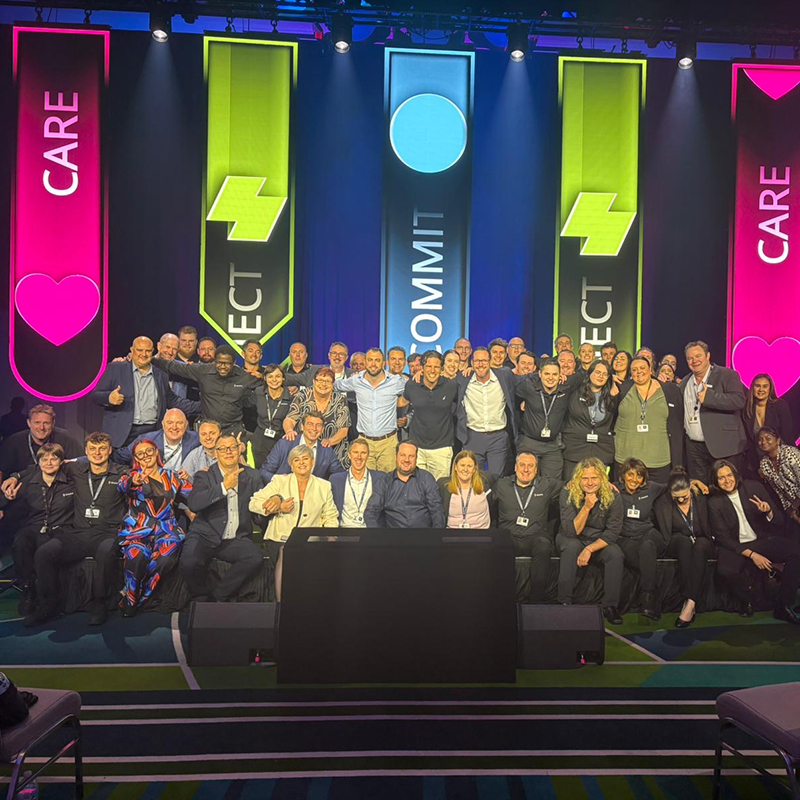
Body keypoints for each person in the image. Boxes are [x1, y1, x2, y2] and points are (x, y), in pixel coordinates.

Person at [4, 432, 127, 626]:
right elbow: (44, 464)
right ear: (86, 451)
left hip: (107, 533)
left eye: (102, 448)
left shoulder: (122, 473)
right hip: (78, 533)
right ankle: (49, 606)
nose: (97, 453)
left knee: (105, 552)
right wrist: (16, 476)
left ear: (110, 450)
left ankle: (99, 603)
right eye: (92, 449)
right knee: (44, 553)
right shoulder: (75, 469)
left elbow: (141, 477)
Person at [709, 460, 800, 623]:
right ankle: (748, 600)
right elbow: (723, 538)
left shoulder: (753, 487)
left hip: (760, 540)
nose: (727, 480)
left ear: (736, 475)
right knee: (725, 570)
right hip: (735, 546)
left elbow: (779, 520)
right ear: (716, 481)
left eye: (729, 475)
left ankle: (783, 605)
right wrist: (753, 555)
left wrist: (768, 512)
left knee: (797, 552)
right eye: (721, 478)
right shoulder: (714, 503)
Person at [181, 433, 265, 603]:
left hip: (235, 538)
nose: (228, 452)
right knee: (188, 562)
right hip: (204, 535)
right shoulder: (204, 476)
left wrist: (269, 508)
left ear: (239, 450)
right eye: (223, 449)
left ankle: (219, 594)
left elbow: (258, 514)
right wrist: (223, 487)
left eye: (232, 447)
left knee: (255, 558)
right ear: (216, 453)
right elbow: (194, 504)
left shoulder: (253, 476)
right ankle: (200, 595)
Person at [251, 444, 338, 600]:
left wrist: (330, 538)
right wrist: (277, 507)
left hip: (310, 540)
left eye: (305, 459)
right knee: (286, 551)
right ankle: (280, 603)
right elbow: (254, 503)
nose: (301, 463)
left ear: (312, 462)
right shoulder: (279, 481)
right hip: (279, 539)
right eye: (296, 460)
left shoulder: (324, 486)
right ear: (291, 465)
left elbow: (330, 516)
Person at [116, 439, 192, 616]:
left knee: (164, 560)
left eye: (149, 451)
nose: (146, 456)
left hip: (167, 529)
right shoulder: (130, 475)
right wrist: (135, 480)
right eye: (140, 454)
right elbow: (123, 486)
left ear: (156, 452)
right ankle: (131, 598)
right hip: (138, 530)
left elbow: (194, 495)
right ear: (135, 458)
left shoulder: (173, 476)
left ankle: (135, 598)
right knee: (136, 557)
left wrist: (189, 479)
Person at [4, 444, 74, 617]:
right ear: (39, 462)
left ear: (61, 461)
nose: (49, 463)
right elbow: (7, 498)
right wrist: (7, 497)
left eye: (53, 458)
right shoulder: (28, 481)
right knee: (20, 542)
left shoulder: (72, 480)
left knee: (44, 546)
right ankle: (27, 589)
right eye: (44, 459)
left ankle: (48, 598)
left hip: (60, 528)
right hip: (35, 526)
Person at [558, 458, 624, 624]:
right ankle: (564, 602)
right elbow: (571, 531)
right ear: (577, 479)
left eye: (594, 478)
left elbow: (612, 533)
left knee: (615, 553)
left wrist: (589, 549)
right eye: (585, 478)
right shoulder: (567, 492)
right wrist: (586, 507)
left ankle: (610, 606)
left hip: (598, 539)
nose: (589, 483)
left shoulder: (614, 496)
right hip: (573, 537)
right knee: (571, 546)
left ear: (602, 478)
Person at [92, 336, 186, 448]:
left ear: (153, 352)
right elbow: (96, 396)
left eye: (147, 351)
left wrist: (204, 405)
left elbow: (172, 400)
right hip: (120, 435)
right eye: (140, 350)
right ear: (132, 350)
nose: (144, 354)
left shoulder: (161, 374)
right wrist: (109, 398)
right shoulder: (116, 368)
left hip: (150, 434)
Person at [493, 451, 562, 603]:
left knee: (544, 545)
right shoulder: (502, 484)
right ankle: (503, 597)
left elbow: (572, 485)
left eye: (530, 466)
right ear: (515, 467)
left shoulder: (546, 484)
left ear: (536, 470)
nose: (526, 469)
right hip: (509, 535)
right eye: (522, 465)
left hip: (535, 536)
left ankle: (536, 600)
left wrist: (605, 483)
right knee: (500, 543)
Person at [152, 344, 262, 435]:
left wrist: (263, 377)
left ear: (234, 363)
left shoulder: (244, 376)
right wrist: (151, 360)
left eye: (227, 363)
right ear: (215, 361)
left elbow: (271, 384)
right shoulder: (203, 371)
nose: (222, 367)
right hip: (208, 430)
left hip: (233, 430)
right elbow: (176, 367)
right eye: (219, 363)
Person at [654, 467, 713, 628]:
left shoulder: (700, 496)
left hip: (701, 539)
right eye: (676, 498)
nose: (680, 500)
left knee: (700, 546)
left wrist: (698, 481)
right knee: (684, 542)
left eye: (684, 497)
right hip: (677, 541)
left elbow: (721, 487)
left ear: (690, 488)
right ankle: (691, 603)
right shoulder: (663, 503)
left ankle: (690, 603)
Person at [682, 340, 747, 483]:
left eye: (698, 356)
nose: (694, 361)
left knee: (728, 489)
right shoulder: (685, 382)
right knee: (700, 489)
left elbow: (739, 401)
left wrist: (711, 397)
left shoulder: (727, 375)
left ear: (708, 356)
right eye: (690, 358)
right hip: (694, 449)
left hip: (724, 447)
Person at [614, 356, 684, 484]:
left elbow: (677, 426)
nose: (638, 372)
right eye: (634, 369)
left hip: (659, 463)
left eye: (642, 368)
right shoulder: (621, 389)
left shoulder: (670, 390)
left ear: (650, 369)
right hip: (627, 462)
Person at [615, 458, 669, 620]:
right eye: (630, 475)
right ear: (623, 475)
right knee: (644, 559)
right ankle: (651, 600)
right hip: (625, 538)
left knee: (647, 545)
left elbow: (673, 485)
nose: (634, 480)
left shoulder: (651, 488)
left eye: (639, 476)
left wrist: (693, 482)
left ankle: (647, 598)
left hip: (648, 533)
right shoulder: (614, 490)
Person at [335, 349, 406, 472]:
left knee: (388, 484)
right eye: (370, 360)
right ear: (365, 362)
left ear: (383, 363)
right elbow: (335, 385)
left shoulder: (396, 382)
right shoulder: (356, 380)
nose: (373, 364)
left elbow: (416, 388)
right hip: (364, 442)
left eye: (377, 360)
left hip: (388, 443)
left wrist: (419, 375)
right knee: (365, 484)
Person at [455, 347, 519, 478]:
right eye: (477, 361)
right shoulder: (462, 378)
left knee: (496, 479)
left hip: (498, 437)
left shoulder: (504, 375)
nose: (480, 364)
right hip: (472, 436)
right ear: (471, 363)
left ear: (490, 362)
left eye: (484, 360)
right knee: (472, 478)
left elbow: (525, 379)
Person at [515, 358, 580, 480]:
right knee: (525, 480)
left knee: (552, 485)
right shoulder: (529, 387)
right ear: (540, 374)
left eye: (555, 374)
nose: (550, 378)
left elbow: (584, 376)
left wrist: (612, 379)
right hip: (529, 443)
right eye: (546, 374)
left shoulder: (566, 386)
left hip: (552, 446)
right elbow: (509, 380)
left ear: (560, 375)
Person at [399, 351, 459, 480]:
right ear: (423, 368)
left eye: (436, 367)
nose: (432, 370)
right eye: (429, 366)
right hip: (417, 448)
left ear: (441, 369)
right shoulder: (412, 384)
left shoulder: (451, 386)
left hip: (442, 449)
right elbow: (400, 403)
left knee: (439, 491)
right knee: (415, 489)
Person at [365, 441, 444, 528]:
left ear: (416, 459)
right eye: (403, 455)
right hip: (392, 537)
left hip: (423, 536)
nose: (406, 460)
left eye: (411, 456)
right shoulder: (384, 481)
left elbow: (437, 510)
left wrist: (436, 536)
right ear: (396, 457)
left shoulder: (426, 478)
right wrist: (377, 536)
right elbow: (371, 511)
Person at [562, 359, 619, 479]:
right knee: (572, 490)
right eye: (598, 372)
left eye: (605, 374)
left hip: (601, 451)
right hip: (575, 449)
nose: (601, 376)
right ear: (590, 373)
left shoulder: (613, 395)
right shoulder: (575, 391)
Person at [284, 368, 350, 468]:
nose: (324, 384)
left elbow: (343, 429)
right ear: (314, 381)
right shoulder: (303, 396)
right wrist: (289, 430)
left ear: (333, 384)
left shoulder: (340, 399)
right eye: (320, 380)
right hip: (304, 450)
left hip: (334, 451)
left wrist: (330, 441)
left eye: (328, 381)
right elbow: (290, 419)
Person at [0, 404, 82, 482]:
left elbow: (80, 463)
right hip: (23, 490)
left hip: (57, 489)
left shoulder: (65, 437)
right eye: (37, 423)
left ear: (53, 424)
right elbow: (2, 471)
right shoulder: (13, 441)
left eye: (46, 423)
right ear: (29, 423)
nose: (41, 427)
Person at [261, 412, 344, 483]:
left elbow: (339, 475)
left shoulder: (327, 451)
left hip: (311, 496)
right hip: (283, 493)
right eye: (310, 424)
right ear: (302, 426)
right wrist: (280, 482)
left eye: (318, 425)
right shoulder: (285, 444)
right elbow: (264, 471)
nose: (314, 428)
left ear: (322, 430)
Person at [742, 374, 795, 474]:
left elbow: (787, 435)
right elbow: (748, 440)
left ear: (770, 389)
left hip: (780, 457)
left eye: (765, 386)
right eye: (757, 386)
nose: (761, 389)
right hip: (756, 459)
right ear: (752, 388)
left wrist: (782, 462)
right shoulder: (746, 408)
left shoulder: (780, 405)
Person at [114, 408, 200, 468]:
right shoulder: (146, 440)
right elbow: (121, 456)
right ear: (163, 424)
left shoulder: (196, 439)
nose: (174, 427)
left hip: (183, 487)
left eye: (179, 423)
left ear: (186, 425)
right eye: (170, 423)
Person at [330, 439, 384, 527]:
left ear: (368, 455)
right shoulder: (335, 480)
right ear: (349, 455)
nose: (359, 457)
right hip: (345, 532)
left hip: (370, 532)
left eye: (363, 453)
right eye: (355, 452)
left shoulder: (380, 478)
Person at [756, 427, 800, 535]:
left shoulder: (790, 453)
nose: (764, 442)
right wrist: (791, 512)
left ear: (778, 440)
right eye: (760, 439)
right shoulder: (764, 463)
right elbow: (779, 492)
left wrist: (794, 506)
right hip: (792, 507)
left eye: (768, 438)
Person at [438, 449, 495, 529]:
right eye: (462, 465)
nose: (465, 469)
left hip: (481, 535)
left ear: (474, 469)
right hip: (452, 535)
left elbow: (494, 508)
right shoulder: (443, 486)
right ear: (455, 467)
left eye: (469, 466)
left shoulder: (486, 482)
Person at [251, 364, 293, 469]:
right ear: (265, 378)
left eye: (278, 376)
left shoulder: (291, 395)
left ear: (283, 378)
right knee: (261, 471)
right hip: (260, 441)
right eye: (270, 376)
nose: (274, 380)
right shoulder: (259, 392)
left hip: (281, 440)